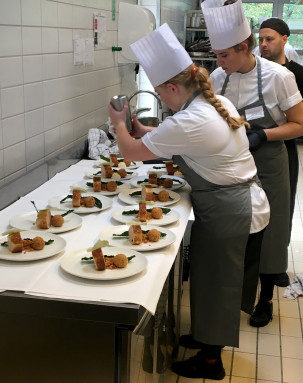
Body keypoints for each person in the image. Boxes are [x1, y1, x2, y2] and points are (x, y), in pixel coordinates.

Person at [108, 22, 270, 380]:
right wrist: (146, 131)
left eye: (160, 93)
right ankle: (203, 337)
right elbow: (177, 138)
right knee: (210, 281)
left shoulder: (192, 118)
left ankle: (211, 362)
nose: (161, 99)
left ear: (171, 87)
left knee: (217, 286)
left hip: (231, 209)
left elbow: (132, 153)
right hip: (236, 202)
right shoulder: (209, 104)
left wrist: (120, 123)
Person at [201, 0, 303, 328]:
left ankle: (266, 299)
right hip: (231, 163)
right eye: (216, 56)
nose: (218, 63)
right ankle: (233, 298)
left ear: (244, 48)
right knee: (236, 232)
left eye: (224, 55)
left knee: (271, 234)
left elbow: (300, 124)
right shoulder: (219, 77)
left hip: (270, 162)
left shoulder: (279, 76)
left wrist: (265, 136)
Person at [258, 17, 303, 287]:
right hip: (251, 150)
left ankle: (274, 265)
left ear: (285, 39)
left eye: (270, 39)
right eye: (260, 39)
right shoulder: (253, 73)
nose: (263, 44)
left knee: (281, 208)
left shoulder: (297, 73)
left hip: (283, 149)